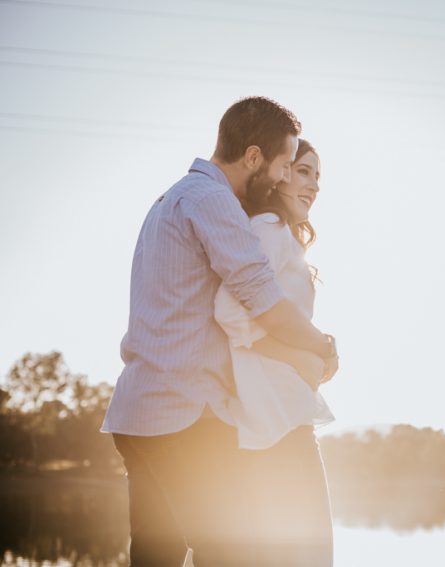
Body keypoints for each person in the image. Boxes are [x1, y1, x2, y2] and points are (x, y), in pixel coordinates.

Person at [101, 97, 339, 566]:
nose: (282, 178)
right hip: (185, 415)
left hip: (137, 412)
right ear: (253, 157)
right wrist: (320, 347)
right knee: (228, 554)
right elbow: (260, 297)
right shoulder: (213, 201)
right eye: (284, 165)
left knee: (157, 556)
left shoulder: (169, 198)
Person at [214, 139, 335, 565]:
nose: (314, 185)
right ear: (279, 174)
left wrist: (318, 348)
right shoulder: (269, 228)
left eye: (318, 176)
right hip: (278, 425)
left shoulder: (279, 236)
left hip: (280, 421)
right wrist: (300, 356)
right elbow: (229, 312)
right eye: (303, 171)